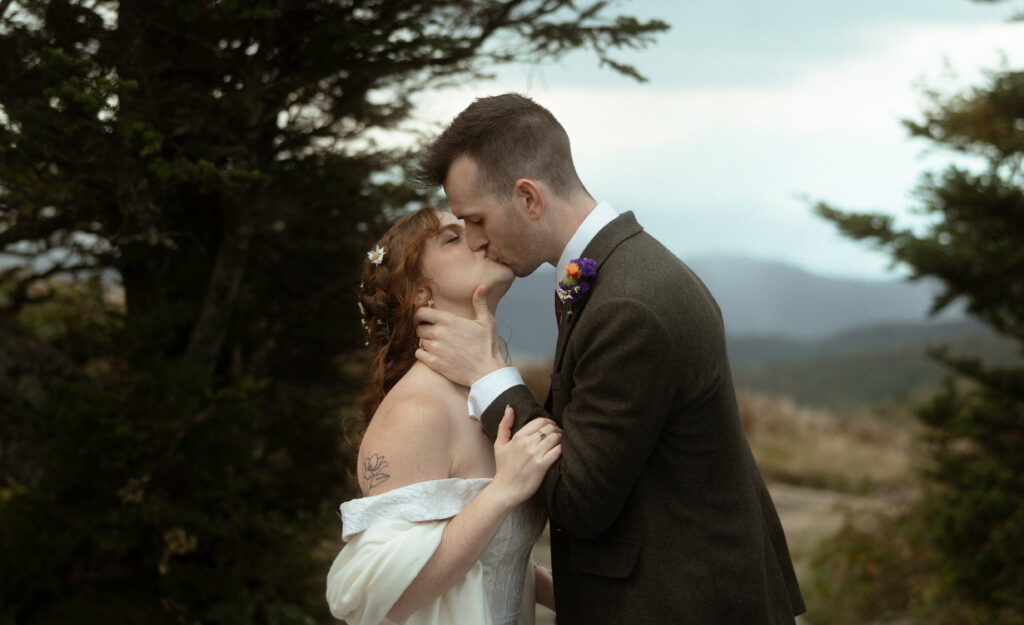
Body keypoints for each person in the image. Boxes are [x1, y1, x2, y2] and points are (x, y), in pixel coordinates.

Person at [412, 93, 806, 624]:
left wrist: (490, 376)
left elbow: (580, 502)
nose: (477, 242)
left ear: (528, 197)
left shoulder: (628, 305)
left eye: (477, 220)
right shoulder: (626, 268)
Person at [325, 207, 562, 625]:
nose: (478, 239)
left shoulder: (484, 392)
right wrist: (503, 491)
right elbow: (381, 597)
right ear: (419, 292)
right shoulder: (417, 410)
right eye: (453, 237)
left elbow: (489, 556)